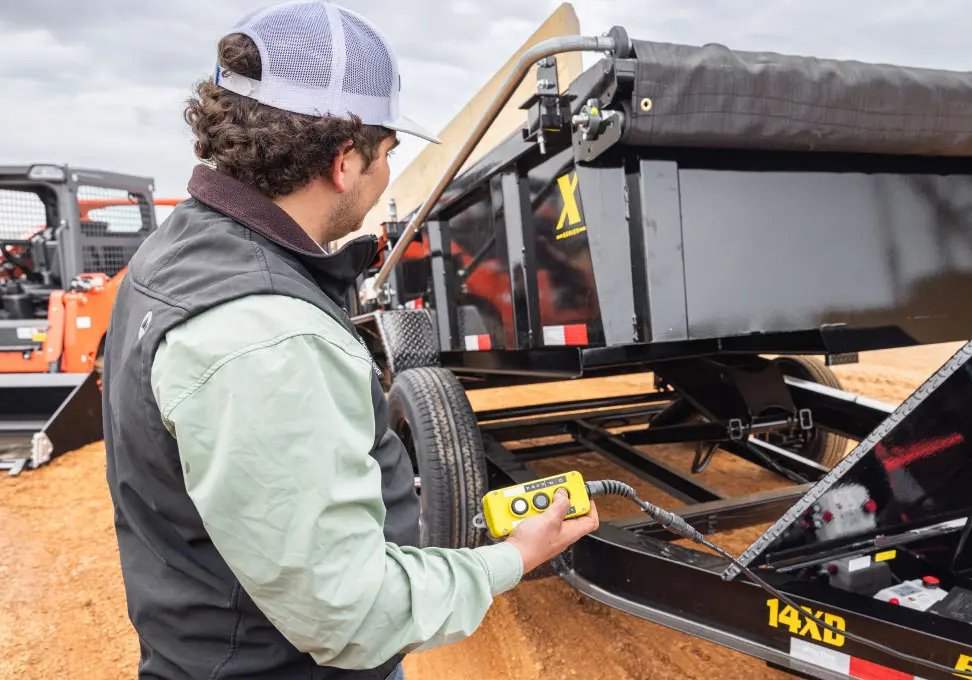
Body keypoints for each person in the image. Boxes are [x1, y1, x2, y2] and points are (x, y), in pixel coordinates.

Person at [100, 2, 599, 678]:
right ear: (344, 160)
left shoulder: (177, 256)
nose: (387, 172)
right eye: (388, 153)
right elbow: (353, 617)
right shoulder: (266, 336)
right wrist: (511, 558)